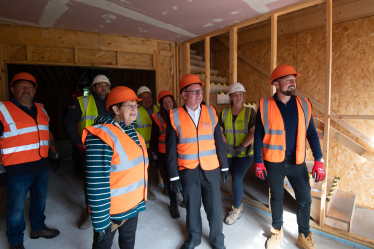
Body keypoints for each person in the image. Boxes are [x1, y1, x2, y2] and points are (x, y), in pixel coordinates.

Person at [253, 65, 325, 249]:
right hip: (274, 161)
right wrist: (258, 161)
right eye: (288, 79)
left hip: (297, 162)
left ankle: (303, 235)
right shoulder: (265, 105)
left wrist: (319, 159)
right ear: (276, 84)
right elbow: (258, 135)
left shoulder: (304, 104)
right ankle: (277, 232)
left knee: (305, 198)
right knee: (276, 197)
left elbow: (312, 134)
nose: (293, 82)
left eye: (294, 79)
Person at [166, 74, 230, 249]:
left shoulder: (210, 112)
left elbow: (219, 143)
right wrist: (173, 178)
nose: (198, 94)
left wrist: (224, 167)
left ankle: (218, 240)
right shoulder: (174, 116)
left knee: (215, 208)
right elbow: (170, 150)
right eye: (193, 92)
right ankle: (194, 237)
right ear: (184, 94)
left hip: (211, 170)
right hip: (188, 171)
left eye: (200, 91)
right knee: (192, 208)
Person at [82, 86, 148, 249]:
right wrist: (100, 222)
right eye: (129, 105)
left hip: (133, 207)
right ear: (115, 109)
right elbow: (96, 183)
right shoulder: (101, 136)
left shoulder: (135, 134)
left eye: (136, 106)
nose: (134, 110)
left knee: (128, 243)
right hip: (111, 213)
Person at [0, 72, 60, 249]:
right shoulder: (3, 109)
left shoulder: (41, 108)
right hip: (16, 170)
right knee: (16, 209)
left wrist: (54, 152)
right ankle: (16, 242)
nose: (26, 90)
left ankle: (38, 228)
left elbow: (47, 132)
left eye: (30, 87)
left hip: (40, 166)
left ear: (34, 90)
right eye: (21, 86)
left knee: (39, 201)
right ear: (12, 89)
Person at [64, 75, 112, 230]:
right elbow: (69, 122)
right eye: (100, 85)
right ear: (94, 87)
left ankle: (110, 211)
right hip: (90, 150)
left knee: (112, 180)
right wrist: (77, 143)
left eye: (106, 85)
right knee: (91, 184)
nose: (103, 88)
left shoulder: (114, 102)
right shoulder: (82, 102)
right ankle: (90, 214)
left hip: (111, 149)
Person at [220, 82, 256, 225]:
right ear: (230, 97)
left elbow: (254, 132)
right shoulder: (224, 113)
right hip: (229, 152)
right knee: (224, 175)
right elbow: (220, 131)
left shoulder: (250, 112)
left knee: (236, 178)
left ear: (243, 96)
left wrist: (243, 146)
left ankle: (237, 208)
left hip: (245, 153)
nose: (238, 97)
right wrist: (226, 145)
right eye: (235, 95)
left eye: (240, 94)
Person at [150, 90, 180, 219]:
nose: (168, 104)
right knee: (170, 179)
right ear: (161, 105)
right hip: (165, 154)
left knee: (184, 177)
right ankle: (173, 204)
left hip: (180, 152)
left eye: (169, 101)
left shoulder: (181, 115)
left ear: (173, 102)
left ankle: (185, 199)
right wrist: (155, 157)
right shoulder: (157, 118)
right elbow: (153, 138)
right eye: (164, 102)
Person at [135, 86, 159, 200]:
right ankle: (147, 189)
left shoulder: (158, 108)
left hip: (158, 144)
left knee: (161, 166)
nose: (146, 99)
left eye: (148, 96)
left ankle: (165, 187)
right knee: (146, 169)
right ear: (139, 99)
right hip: (143, 146)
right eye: (143, 97)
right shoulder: (135, 111)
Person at [63, 91, 84, 180]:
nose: (78, 100)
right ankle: (78, 172)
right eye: (76, 98)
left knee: (83, 155)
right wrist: (71, 136)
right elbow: (66, 123)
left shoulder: (84, 107)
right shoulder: (69, 109)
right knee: (77, 153)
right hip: (75, 135)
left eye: (79, 98)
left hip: (83, 135)